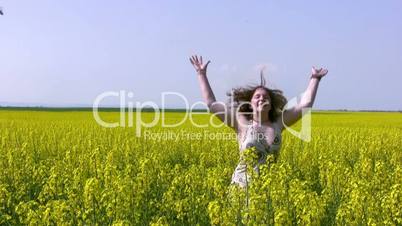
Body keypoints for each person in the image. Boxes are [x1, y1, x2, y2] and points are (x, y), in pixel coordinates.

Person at [189, 55, 328, 188]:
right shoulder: (241, 123)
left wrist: (315, 78)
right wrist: (201, 73)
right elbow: (211, 103)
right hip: (242, 190)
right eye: (257, 97)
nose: (261, 99)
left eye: (265, 97)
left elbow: (305, 104)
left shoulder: (279, 123)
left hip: (269, 192)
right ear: (250, 103)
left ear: (271, 103)